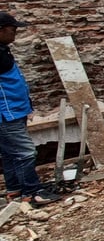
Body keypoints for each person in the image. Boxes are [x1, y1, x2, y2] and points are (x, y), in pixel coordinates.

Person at [0, 12, 60, 207]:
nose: (15, 33)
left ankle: (15, 189)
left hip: (14, 110)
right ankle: (32, 193)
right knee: (26, 152)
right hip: (6, 113)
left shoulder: (3, 50)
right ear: (1, 30)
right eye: (13, 29)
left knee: (11, 153)